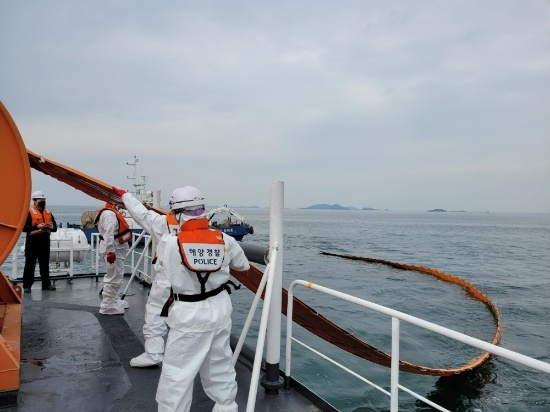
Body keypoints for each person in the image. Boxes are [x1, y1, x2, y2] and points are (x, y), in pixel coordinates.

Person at [129, 186, 249, 412]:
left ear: (175, 214)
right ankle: (226, 407)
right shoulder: (224, 239)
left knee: (177, 374)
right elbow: (242, 265)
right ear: (202, 211)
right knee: (220, 365)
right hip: (220, 310)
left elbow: (164, 271)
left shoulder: (170, 243)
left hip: (188, 314)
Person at [113, 185, 183, 366]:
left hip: (167, 278)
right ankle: (185, 356)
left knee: (156, 313)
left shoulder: (163, 223)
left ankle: (154, 354)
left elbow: (141, 214)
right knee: (187, 317)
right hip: (194, 283)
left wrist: (125, 195)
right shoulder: (210, 232)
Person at [95, 202, 132, 315]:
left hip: (117, 249)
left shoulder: (110, 213)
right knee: (113, 276)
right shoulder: (109, 215)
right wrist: (110, 250)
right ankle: (108, 305)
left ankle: (114, 299)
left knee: (117, 275)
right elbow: (108, 233)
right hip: (114, 250)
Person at [22, 190, 58, 293]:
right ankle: (27, 286)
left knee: (44, 264)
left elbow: (55, 228)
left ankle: (46, 285)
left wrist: (51, 227)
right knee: (30, 265)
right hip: (32, 242)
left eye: (44, 200)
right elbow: (23, 228)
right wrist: (36, 226)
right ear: (34, 201)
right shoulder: (29, 213)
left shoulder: (49, 213)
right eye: (40, 200)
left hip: (45, 242)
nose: (42, 201)